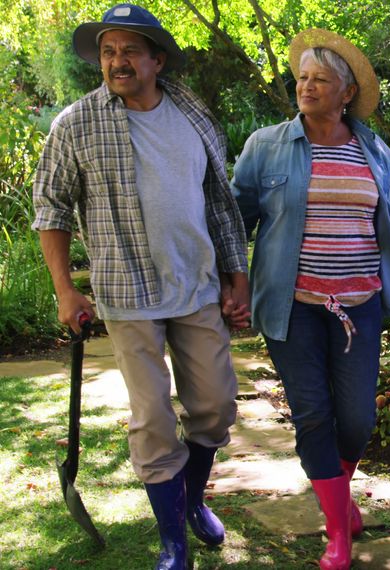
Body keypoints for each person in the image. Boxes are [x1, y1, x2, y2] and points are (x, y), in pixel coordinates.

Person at [32, 4, 250, 569]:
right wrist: (65, 290)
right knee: (153, 419)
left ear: (157, 59)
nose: (117, 61)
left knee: (215, 406)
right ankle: (173, 542)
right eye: (108, 51)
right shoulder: (75, 124)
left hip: (197, 285)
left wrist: (237, 276)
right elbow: (50, 208)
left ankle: (193, 500)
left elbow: (220, 203)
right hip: (126, 294)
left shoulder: (192, 112)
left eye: (130, 50)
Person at [230, 28, 390, 570]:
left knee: (356, 421)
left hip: (359, 304)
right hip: (291, 305)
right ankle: (337, 532)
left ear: (346, 92)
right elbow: (235, 220)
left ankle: (340, 502)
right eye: (303, 77)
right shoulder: (266, 146)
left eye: (321, 79)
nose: (307, 86)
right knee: (313, 415)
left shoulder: (372, 147)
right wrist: (231, 280)